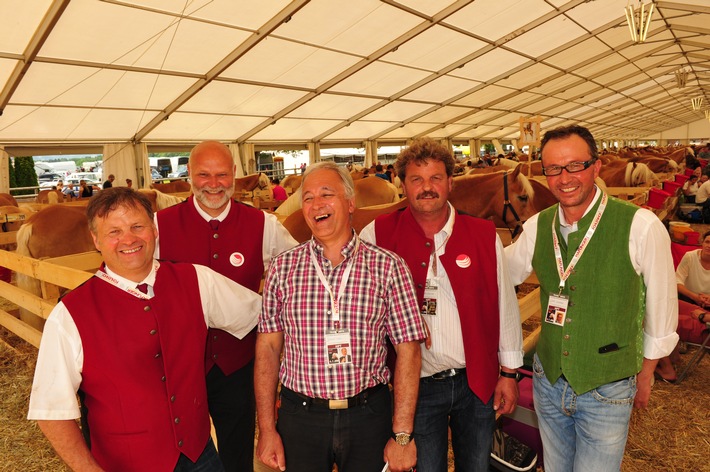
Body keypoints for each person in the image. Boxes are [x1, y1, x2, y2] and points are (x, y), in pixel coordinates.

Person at [27, 187, 262, 471]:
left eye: (137, 226)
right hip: (124, 464)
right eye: (114, 231)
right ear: (95, 240)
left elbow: (262, 314)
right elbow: (51, 411)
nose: (128, 239)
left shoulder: (197, 281)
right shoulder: (69, 314)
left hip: (201, 455)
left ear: (154, 229)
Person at [505, 125, 678, 472]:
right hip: (548, 380)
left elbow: (662, 313)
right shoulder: (538, 226)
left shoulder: (640, 226)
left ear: (596, 167)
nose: (564, 178)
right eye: (553, 168)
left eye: (575, 165)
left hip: (607, 387)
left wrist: (644, 374)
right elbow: (500, 274)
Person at [360, 137, 523, 471]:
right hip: (417, 386)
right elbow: (361, 306)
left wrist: (509, 373)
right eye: (417, 179)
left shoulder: (482, 234)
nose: (427, 188)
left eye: (435, 178)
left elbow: (504, 306)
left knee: (476, 466)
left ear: (451, 182)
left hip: (475, 381)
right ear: (402, 184)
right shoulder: (377, 233)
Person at [255, 161, 427, 472]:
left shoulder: (388, 267)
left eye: (326, 194)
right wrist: (267, 429)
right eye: (307, 197)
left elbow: (409, 350)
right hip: (301, 417)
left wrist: (402, 435)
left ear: (350, 203)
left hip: (368, 416)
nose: (316, 204)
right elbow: (267, 349)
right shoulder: (282, 269)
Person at [155, 140, 297, 471]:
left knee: (237, 454)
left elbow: (297, 275)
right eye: (204, 174)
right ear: (189, 174)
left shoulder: (265, 225)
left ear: (235, 173)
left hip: (239, 364)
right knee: (179, 454)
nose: (214, 184)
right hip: (180, 366)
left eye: (222, 174)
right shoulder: (159, 226)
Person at [675, 230, 710, 307]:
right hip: (688, 297)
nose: (709, 246)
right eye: (707, 242)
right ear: (702, 243)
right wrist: (694, 297)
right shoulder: (690, 257)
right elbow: (677, 282)